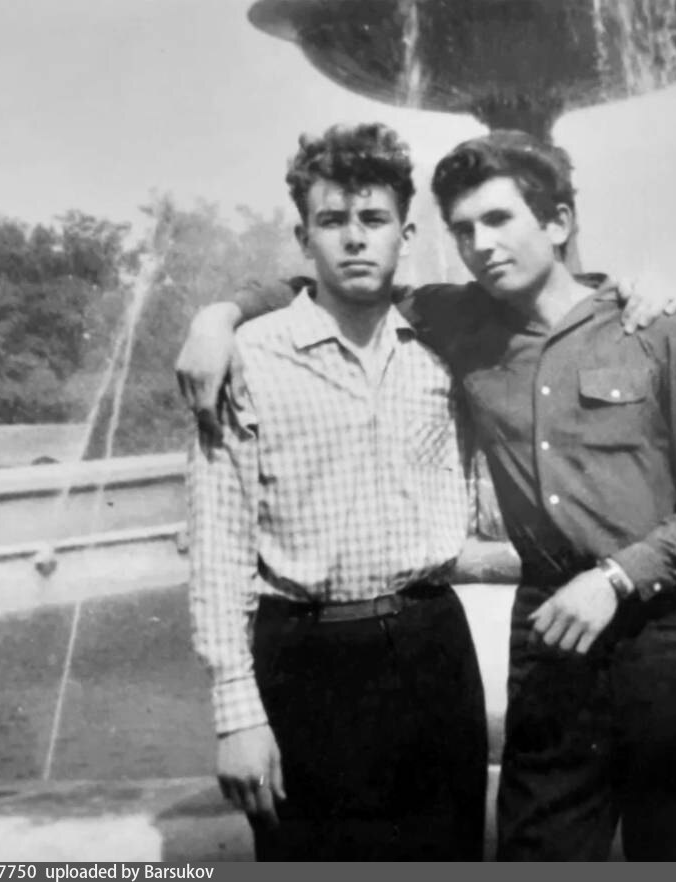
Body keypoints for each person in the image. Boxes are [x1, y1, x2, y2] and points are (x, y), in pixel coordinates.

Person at [179, 130, 676, 861]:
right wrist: (219, 315)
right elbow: (332, 283)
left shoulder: (655, 329)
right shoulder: (449, 327)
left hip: (666, 642)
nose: (481, 245)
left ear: (559, 223)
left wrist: (615, 577)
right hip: (537, 645)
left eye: (499, 220)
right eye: (465, 229)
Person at [187, 122, 487, 860]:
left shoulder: (440, 351)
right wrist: (236, 714)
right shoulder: (246, 358)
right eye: (333, 220)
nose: (355, 238)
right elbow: (219, 547)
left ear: (405, 235)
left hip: (433, 646)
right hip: (305, 661)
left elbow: (551, 300)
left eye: (374, 219)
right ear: (303, 237)